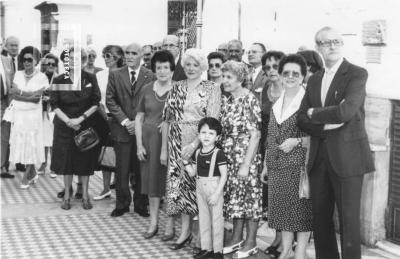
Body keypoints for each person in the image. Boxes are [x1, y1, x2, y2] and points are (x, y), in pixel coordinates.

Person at [297, 26, 375, 259]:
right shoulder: (314, 79)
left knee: (349, 221)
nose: (332, 46)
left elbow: (345, 112)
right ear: (317, 47)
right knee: (320, 220)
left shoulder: (356, 73)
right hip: (319, 158)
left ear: (342, 45)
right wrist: (320, 122)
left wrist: (314, 113)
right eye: (326, 42)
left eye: (336, 42)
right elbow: (301, 119)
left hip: (348, 158)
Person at [162, 48, 221, 250]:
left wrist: (195, 144)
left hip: (201, 144)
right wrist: (165, 150)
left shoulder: (212, 87)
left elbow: (213, 120)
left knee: (198, 189)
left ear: (203, 67)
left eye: (195, 65)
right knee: (179, 189)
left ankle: (200, 235)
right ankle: (185, 232)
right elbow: (167, 119)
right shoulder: (176, 86)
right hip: (175, 141)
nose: (191, 68)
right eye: (187, 64)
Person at [262, 54, 312, 259]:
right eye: (286, 73)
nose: (290, 77)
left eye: (295, 73)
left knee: (300, 212)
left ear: (302, 76)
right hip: (276, 165)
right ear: (281, 75)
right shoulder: (277, 101)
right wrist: (266, 165)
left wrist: (297, 142)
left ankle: (299, 253)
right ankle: (285, 250)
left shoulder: (308, 101)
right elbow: (271, 135)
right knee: (282, 210)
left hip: (299, 165)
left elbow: (319, 136)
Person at [50, 47, 108, 210]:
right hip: (64, 125)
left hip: (85, 124)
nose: (74, 62)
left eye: (79, 59)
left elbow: (96, 102)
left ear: (83, 61)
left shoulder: (90, 78)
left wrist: (80, 119)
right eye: (71, 59)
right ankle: (67, 196)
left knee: (85, 162)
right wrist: (69, 120)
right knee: (66, 162)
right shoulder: (59, 80)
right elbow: (53, 103)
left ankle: (85, 196)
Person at [106, 42, 155, 217]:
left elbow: (152, 102)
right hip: (122, 130)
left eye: (134, 53)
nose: (129, 56)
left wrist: (138, 123)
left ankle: (141, 205)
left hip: (142, 131)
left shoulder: (151, 75)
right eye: (127, 52)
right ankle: (122, 204)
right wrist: (126, 122)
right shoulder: (115, 75)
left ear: (141, 55)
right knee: (122, 170)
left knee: (142, 170)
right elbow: (110, 100)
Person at [220, 61, 262, 259]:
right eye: (224, 76)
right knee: (236, 199)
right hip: (230, 156)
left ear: (240, 79)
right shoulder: (229, 100)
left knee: (250, 199)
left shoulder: (249, 99)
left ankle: (251, 241)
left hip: (246, 157)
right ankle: (237, 238)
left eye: (229, 77)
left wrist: (246, 164)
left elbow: (255, 134)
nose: (224, 80)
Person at [135, 50, 174, 238]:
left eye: (166, 67)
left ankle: (169, 225)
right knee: (152, 184)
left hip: (170, 141)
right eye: (159, 67)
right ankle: (153, 223)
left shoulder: (178, 89)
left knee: (168, 183)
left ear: (172, 69)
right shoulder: (147, 88)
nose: (162, 71)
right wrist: (138, 145)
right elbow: (139, 117)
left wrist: (169, 123)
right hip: (149, 141)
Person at [183, 117, 227, 259]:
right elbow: (193, 172)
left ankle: (218, 251)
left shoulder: (218, 153)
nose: (206, 136)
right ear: (199, 135)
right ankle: (206, 248)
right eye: (203, 132)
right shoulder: (197, 153)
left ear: (217, 137)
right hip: (200, 188)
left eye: (211, 133)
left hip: (214, 189)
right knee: (204, 219)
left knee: (217, 220)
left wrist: (216, 194)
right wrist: (185, 162)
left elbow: (224, 176)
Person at [6, 46, 49, 188]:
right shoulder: (18, 74)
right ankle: (32, 172)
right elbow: (13, 94)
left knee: (32, 143)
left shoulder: (42, 77)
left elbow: (37, 98)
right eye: (24, 59)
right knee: (21, 143)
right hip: (19, 115)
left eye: (30, 59)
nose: (26, 62)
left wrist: (21, 94)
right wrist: (29, 95)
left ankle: (28, 175)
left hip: (33, 115)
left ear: (36, 61)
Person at [259, 50, 286, 257]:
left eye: (275, 66)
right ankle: (277, 238)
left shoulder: (293, 89)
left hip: (287, 147)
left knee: (287, 197)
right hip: (267, 146)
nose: (271, 71)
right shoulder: (265, 88)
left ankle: (287, 241)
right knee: (272, 196)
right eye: (267, 67)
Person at [93, 45, 125, 201]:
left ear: (117, 57)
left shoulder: (124, 74)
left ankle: (120, 189)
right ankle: (105, 189)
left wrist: (120, 118)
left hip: (121, 118)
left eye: (108, 56)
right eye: (103, 56)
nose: (105, 59)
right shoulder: (100, 75)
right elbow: (97, 98)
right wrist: (105, 118)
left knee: (120, 154)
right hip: (104, 116)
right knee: (106, 153)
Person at [39, 53, 58, 178]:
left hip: (55, 112)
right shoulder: (39, 77)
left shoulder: (60, 78)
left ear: (56, 65)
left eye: (53, 64)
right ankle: (43, 164)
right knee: (43, 139)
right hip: (42, 112)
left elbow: (62, 96)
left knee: (54, 140)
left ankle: (54, 167)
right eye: (48, 64)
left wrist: (50, 98)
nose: (50, 66)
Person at [0, 51, 15, 178]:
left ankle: (2, 167)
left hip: (5, 102)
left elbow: (12, 81)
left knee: (5, 137)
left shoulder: (7, 60)